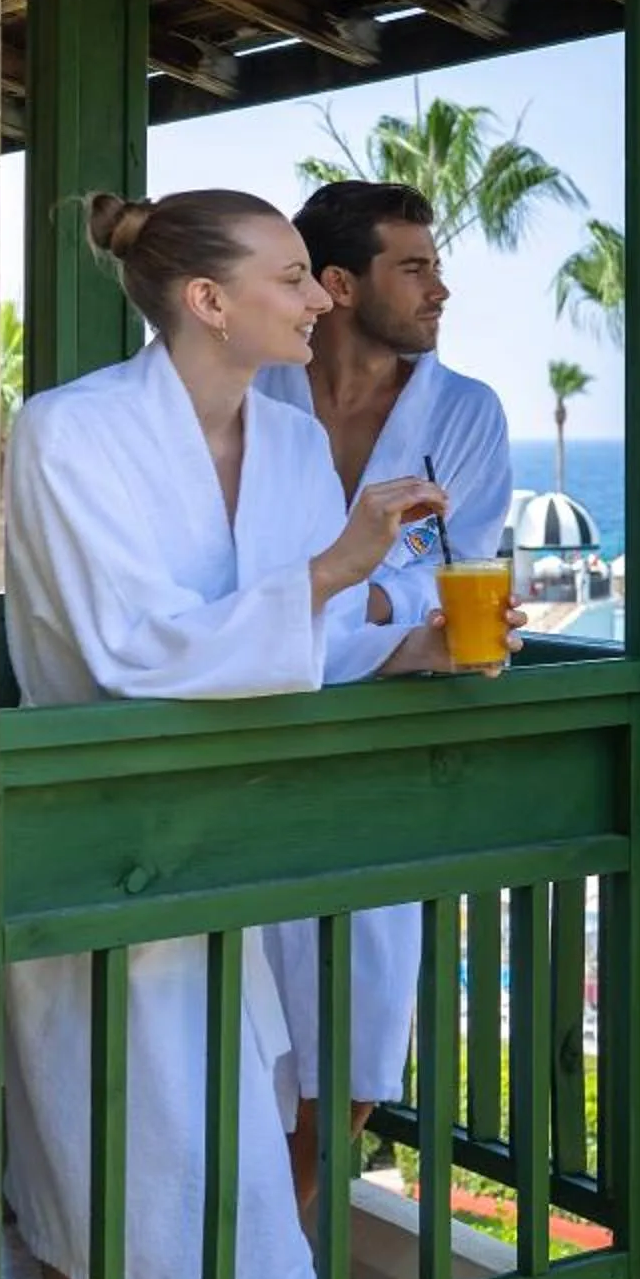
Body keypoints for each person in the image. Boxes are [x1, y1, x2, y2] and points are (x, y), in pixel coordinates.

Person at [4, 190, 461, 1279]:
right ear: (208, 300)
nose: (321, 298)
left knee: (179, 1173)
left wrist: (405, 639)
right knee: (122, 1177)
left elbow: (302, 635)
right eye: (294, 276)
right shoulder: (66, 433)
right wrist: (337, 568)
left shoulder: (294, 443)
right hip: (111, 853)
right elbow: (128, 649)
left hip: (236, 860)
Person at [256, 181, 513, 1210]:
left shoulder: (465, 415)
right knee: (252, 1020)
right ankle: (245, 1254)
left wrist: (332, 600)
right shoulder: (258, 396)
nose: (440, 288)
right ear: (338, 282)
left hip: (384, 764)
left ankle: (279, 1246)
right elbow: (246, 583)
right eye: (414, 265)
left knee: (361, 1030)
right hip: (255, 741)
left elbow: (460, 581)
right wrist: (379, 612)